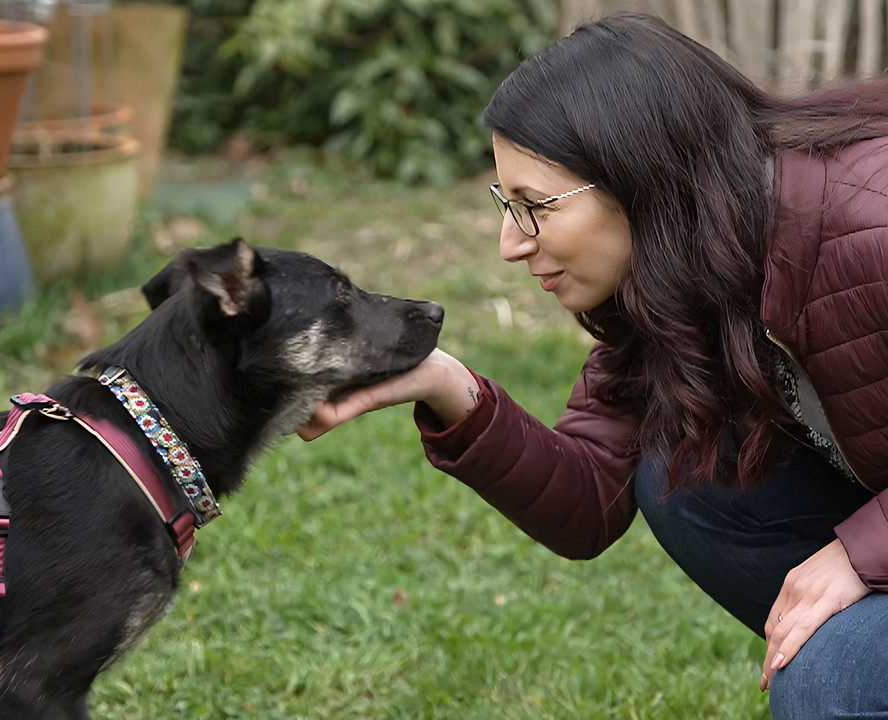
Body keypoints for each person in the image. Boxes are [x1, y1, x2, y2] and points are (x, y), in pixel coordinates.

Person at [299, 12, 888, 719]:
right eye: (504, 204)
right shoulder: (686, 267)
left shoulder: (870, 225)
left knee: (831, 683)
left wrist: (861, 552)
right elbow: (589, 506)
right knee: (681, 477)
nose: (510, 245)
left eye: (534, 207)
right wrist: (443, 383)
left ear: (641, 178)